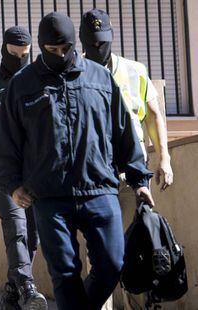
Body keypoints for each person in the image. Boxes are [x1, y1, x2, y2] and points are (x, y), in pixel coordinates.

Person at [0, 12, 154, 310]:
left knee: (112, 264)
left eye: (66, 48)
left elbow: (123, 132)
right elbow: (6, 142)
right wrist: (13, 185)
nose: (61, 55)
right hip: (48, 195)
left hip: (99, 189)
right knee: (65, 275)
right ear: (41, 47)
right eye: (52, 50)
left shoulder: (100, 77)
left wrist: (139, 180)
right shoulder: (22, 84)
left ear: (75, 44)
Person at [79, 9, 174, 308]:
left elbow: (154, 117)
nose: (98, 48)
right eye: (92, 43)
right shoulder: (75, 71)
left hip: (131, 177)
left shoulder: (135, 70)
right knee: (101, 254)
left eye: (103, 42)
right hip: (93, 178)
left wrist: (164, 159)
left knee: (137, 249)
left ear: (112, 37)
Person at [0, 26, 47, 310]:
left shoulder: (38, 79)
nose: (19, 59)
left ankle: (11, 291)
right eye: (13, 54)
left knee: (32, 237)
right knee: (15, 228)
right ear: (3, 50)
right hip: (4, 172)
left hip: (34, 170)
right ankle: (27, 287)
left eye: (25, 55)